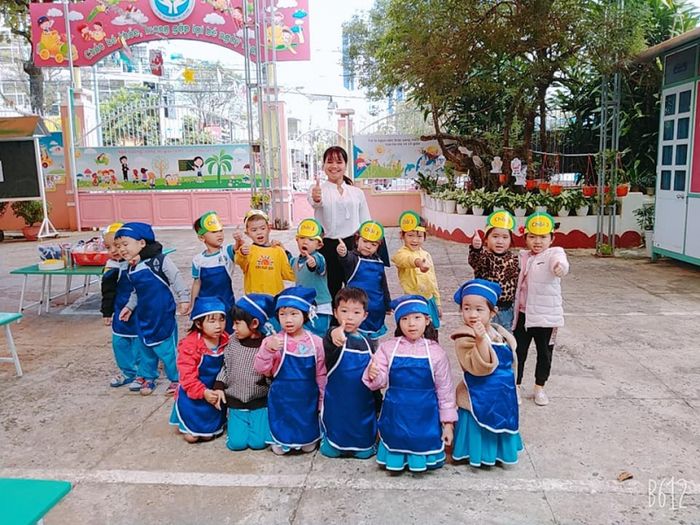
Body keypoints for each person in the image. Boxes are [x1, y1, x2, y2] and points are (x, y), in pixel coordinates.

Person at [363, 295, 457, 472]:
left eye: (417, 318)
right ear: (398, 323)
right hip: (396, 413)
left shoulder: (437, 353)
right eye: (405, 319)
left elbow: (445, 390)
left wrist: (448, 424)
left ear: (427, 320)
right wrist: (373, 374)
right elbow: (379, 381)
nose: (411, 324)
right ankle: (396, 460)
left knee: (422, 441)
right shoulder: (387, 348)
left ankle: (419, 461)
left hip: (425, 414)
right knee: (396, 439)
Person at [451, 279, 523, 467]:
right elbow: (479, 367)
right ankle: (477, 454)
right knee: (479, 425)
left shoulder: (500, 333)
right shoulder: (464, 336)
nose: (472, 314)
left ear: (493, 312)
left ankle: (499, 453)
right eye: (466, 308)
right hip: (478, 395)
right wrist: (480, 340)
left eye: (479, 309)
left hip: (503, 395)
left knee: (502, 423)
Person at [116, 222, 190, 396]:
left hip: (162, 315)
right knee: (146, 349)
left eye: (125, 244)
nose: (121, 249)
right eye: (118, 246)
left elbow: (176, 278)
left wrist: (184, 298)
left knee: (167, 350)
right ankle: (149, 377)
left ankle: (177, 379)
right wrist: (129, 307)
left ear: (142, 243)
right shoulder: (131, 266)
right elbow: (136, 291)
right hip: (143, 316)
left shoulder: (159, 261)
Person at [254, 286, 327, 455]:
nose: (288, 320)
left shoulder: (316, 342)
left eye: (294, 314)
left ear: (306, 315)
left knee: (308, 446)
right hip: (282, 399)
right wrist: (268, 350)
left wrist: (322, 400)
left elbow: (321, 373)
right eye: (283, 314)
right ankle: (281, 439)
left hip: (307, 400)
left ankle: (307, 438)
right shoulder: (273, 341)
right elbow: (261, 369)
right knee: (279, 448)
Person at [513, 212, 570, 406]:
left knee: (545, 354)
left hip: (546, 317)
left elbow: (560, 263)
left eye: (543, 237)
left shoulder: (554, 253)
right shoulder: (523, 256)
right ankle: (516, 387)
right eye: (532, 236)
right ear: (526, 238)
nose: (537, 241)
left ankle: (539, 388)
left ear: (551, 239)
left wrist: (560, 267)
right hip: (523, 315)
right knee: (518, 353)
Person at [320, 287, 377, 459]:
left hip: (362, 404)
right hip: (337, 403)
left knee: (364, 451)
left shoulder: (368, 343)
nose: (349, 317)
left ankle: (364, 444)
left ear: (365, 315)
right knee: (330, 450)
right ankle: (332, 442)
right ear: (335, 312)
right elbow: (331, 337)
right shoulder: (333, 337)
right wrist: (334, 333)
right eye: (344, 311)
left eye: (356, 312)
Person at [214, 294, 276, 451]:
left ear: (254, 323)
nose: (233, 328)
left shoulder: (268, 345)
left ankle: (258, 423)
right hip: (236, 402)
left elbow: (272, 373)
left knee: (258, 443)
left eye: (237, 323)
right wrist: (219, 385)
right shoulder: (232, 341)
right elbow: (226, 366)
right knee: (236, 444)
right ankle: (236, 423)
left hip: (259, 402)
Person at [308, 146, 371, 300]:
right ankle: (333, 315)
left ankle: (355, 314)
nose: (334, 166)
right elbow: (316, 202)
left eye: (339, 161)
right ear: (323, 165)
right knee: (331, 289)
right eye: (329, 162)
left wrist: (369, 243)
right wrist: (316, 198)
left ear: (345, 165)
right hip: (327, 247)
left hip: (353, 247)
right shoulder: (317, 189)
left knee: (355, 288)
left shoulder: (357, 192)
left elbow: (366, 221)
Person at [169, 297, 228, 443]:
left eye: (221, 320)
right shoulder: (190, 345)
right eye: (212, 321)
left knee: (208, 435)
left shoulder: (226, 340)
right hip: (193, 396)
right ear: (198, 323)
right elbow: (187, 377)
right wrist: (203, 392)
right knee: (192, 437)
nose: (218, 326)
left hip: (214, 393)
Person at [100, 222, 143, 388]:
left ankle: (142, 374)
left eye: (118, 246)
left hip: (139, 310)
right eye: (108, 247)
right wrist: (107, 312)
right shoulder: (111, 266)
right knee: (120, 342)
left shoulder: (140, 261)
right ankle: (127, 372)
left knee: (139, 342)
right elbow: (107, 291)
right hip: (120, 311)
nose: (113, 250)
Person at [337, 220, 392, 349]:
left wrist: (387, 304)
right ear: (357, 240)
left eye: (373, 244)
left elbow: (383, 285)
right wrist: (343, 253)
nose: (368, 246)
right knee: (353, 339)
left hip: (375, 309)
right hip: (355, 308)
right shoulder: (353, 259)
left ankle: (373, 357)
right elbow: (345, 259)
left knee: (373, 343)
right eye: (365, 241)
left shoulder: (379, 262)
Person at [468, 210, 520, 330]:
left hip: (507, 309)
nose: (500, 241)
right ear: (486, 239)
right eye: (495, 236)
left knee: (505, 336)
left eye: (505, 237)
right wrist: (476, 248)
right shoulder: (484, 256)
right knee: (485, 336)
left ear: (510, 240)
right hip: (486, 308)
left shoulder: (514, 259)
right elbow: (474, 261)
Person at [391, 211, 442, 331]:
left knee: (432, 331)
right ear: (402, 235)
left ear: (425, 236)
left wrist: (438, 303)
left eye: (419, 236)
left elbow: (433, 281)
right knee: (414, 330)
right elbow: (406, 260)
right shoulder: (400, 254)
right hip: (413, 302)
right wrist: (418, 263)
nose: (415, 240)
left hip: (429, 300)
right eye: (410, 235)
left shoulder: (426, 255)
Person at [190, 211, 239, 333]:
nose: (219, 234)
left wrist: (239, 240)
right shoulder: (198, 260)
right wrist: (193, 304)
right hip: (206, 306)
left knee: (227, 333)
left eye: (220, 230)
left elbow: (237, 248)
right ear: (201, 237)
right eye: (213, 232)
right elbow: (197, 283)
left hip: (226, 303)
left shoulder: (226, 252)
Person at [235, 209, 295, 296]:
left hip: (275, 297)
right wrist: (242, 253)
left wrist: (285, 252)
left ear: (269, 229)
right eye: (254, 230)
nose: (259, 232)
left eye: (262, 228)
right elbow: (240, 261)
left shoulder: (278, 251)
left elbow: (289, 275)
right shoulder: (248, 251)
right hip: (254, 299)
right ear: (247, 233)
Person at [291, 218, 332, 337]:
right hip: (303, 306)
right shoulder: (295, 261)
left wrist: (313, 263)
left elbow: (317, 264)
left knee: (318, 338)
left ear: (319, 245)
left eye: (311, 239)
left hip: (320, 308)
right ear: (297, 240)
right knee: (305, 338)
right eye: (302, 238)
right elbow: (288, 261)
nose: (305, 242)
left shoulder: (319, 257)